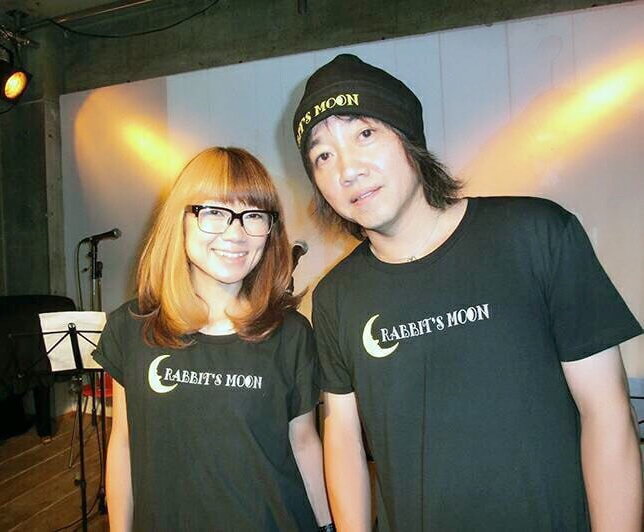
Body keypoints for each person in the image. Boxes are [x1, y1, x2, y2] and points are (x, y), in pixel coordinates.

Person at [292, 54, 643, 531]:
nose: (347, 170)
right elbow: (342, 436)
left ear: (410, 139)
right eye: (323, 156)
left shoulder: (536, 235)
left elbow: (607, 413)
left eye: (365, 134)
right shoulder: (336, 296)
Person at [94, 147, 333, 531]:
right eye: (215, 212)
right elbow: (123, 442)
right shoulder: (131, 328)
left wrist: (328, 527)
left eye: (254, 215)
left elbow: (303, 443)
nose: (236, 233)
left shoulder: (291, 335)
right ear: (181, 220)